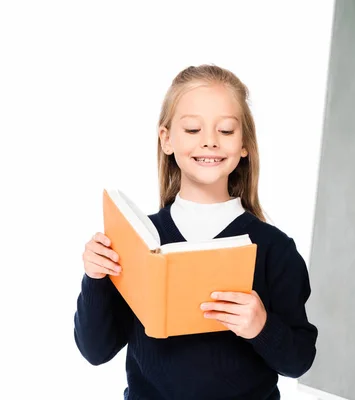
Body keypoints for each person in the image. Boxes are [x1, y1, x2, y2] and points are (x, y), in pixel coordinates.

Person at [74, 64, 318, 400]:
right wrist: (96, 278)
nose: (209, 142)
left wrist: (260, 327)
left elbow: (299, 360)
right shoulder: (136, 240)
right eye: (192, 129)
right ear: (167, 139)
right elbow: (95, 351)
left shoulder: (274, 248)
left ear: (244, 144)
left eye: (227, 131)